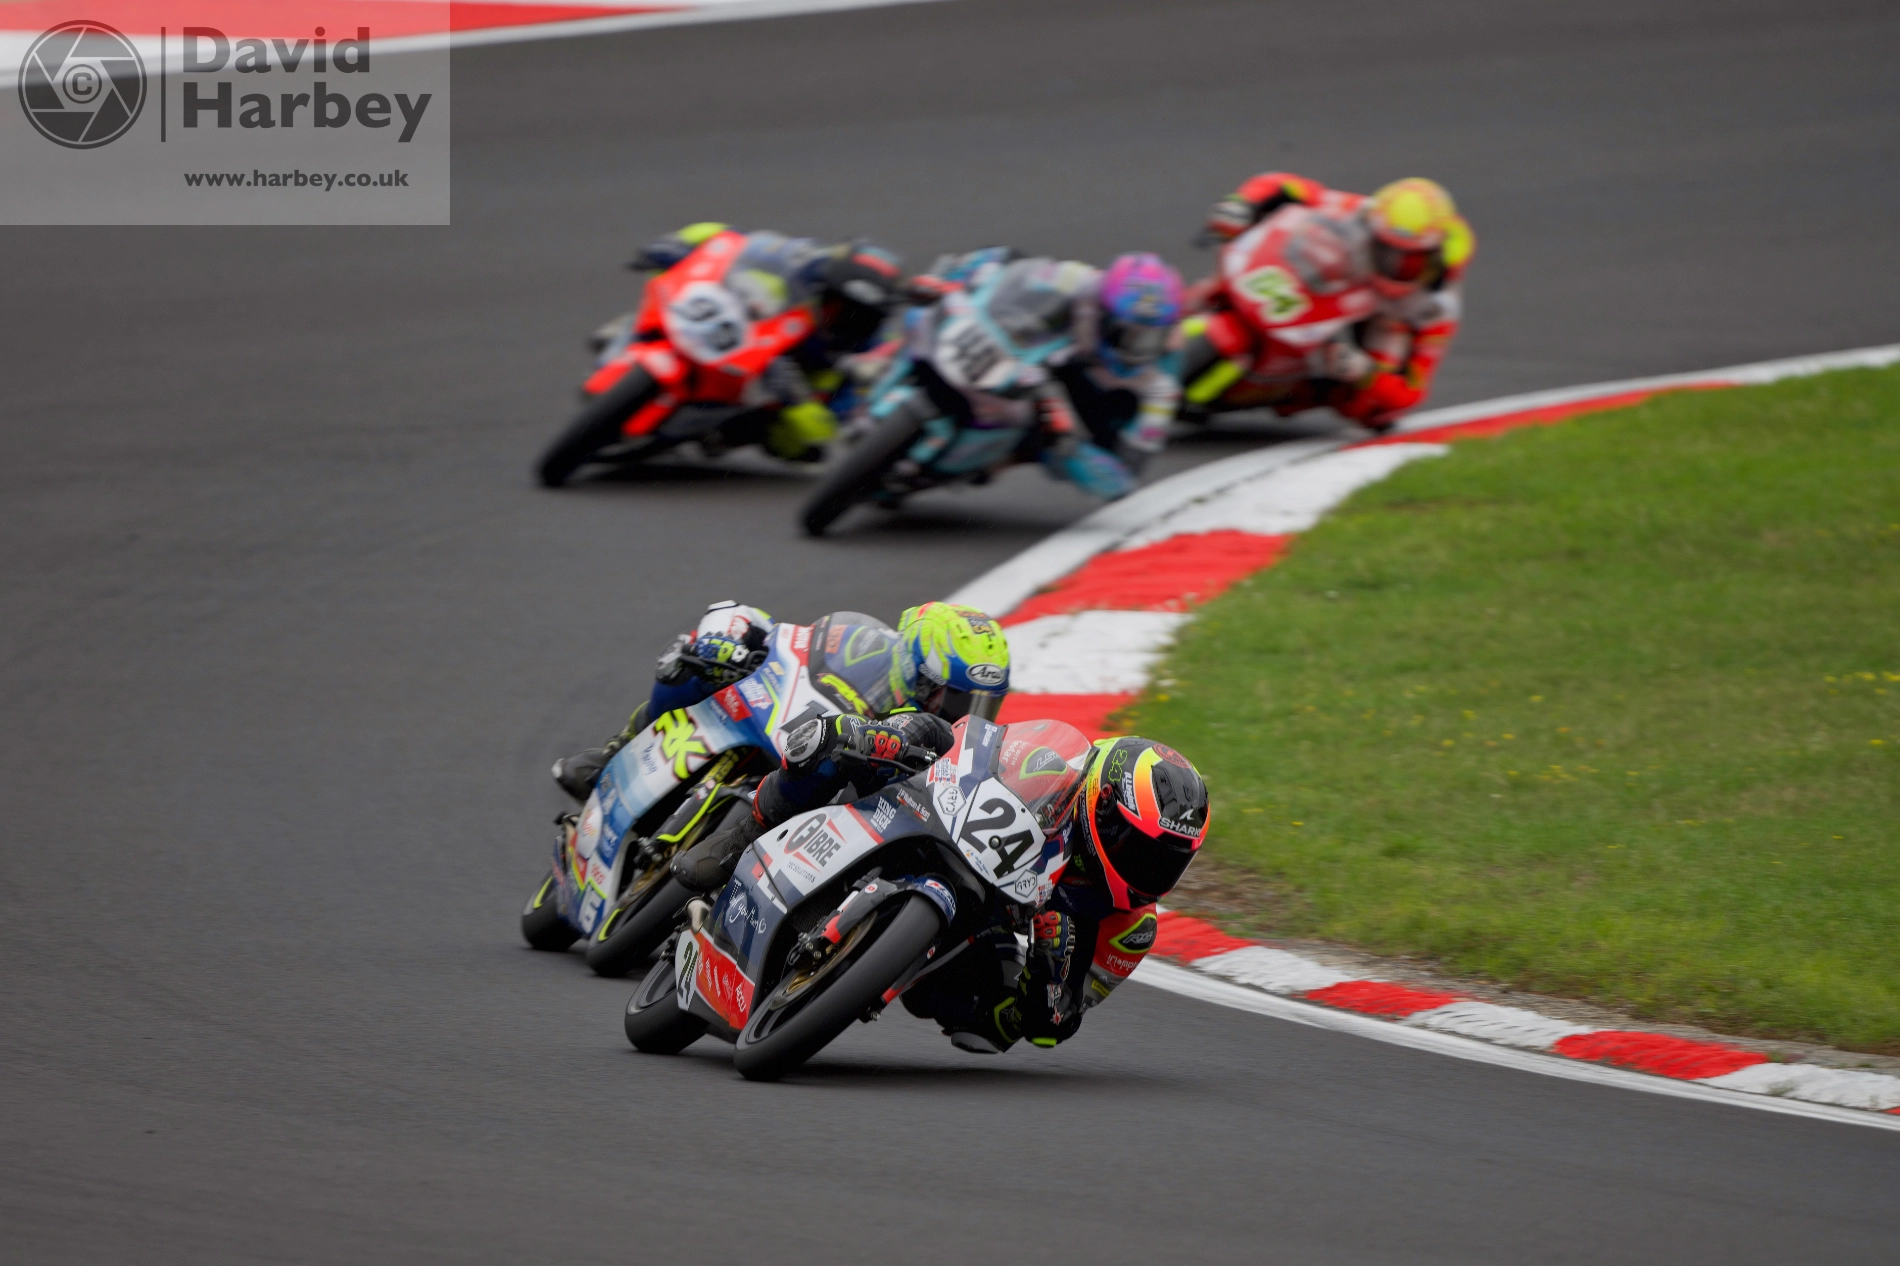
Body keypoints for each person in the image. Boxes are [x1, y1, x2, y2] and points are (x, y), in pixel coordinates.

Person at [666, 602, 1013, 893]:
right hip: (805, 742)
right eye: (959, 698)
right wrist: (736, 639)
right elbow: (790, 640)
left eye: (984, 705)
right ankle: (739, 839)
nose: (968, 714)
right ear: (921, 676)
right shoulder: (865, 644)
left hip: (876, 809)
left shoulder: (940, 737)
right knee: (695, 667)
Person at [899, 736, 1211, 1053]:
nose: (1150, 869)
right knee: (903, 743)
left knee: (990, 1028)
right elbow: (969, 743)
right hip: (943, 839)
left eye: (1168, 862)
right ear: (1103, 805)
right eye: (1140, 849)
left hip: (973, 935)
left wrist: (1049, 972)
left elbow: (1057, 1024)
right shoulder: (1050, 768)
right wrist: (916, 738)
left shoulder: (1132, 929)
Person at [1191, 174, 1475, 430]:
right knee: (1224, 274)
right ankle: (1185, 309)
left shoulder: (1439, 303)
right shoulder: (1362, 212)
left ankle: (1306, 391)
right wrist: (1244, 204)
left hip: (1389, 319)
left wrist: (1366, 372)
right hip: (1351, 284)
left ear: (1434, 257)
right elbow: (1287, 186)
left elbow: (1413, 390)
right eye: (1384, 250)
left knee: (1371, 409)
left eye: (1408, 262)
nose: (1393, 264)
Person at [899, 249, 1185, 500]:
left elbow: (1127, 474)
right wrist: (953, 279)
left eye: (1150, 339)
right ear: (1104, 312)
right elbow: (1004, 261)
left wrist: (1069, 446)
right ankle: (880, 359)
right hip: (1027, 349)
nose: (1134, 349)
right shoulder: (1075, 279)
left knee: (1062, 438)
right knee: (921, 309)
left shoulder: (1162, 381)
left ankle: (997, 458)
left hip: (1072, 403)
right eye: (1128, 335)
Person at [629, 222, 903, 459]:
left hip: (773, 389)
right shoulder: (805, 263)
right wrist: (680, 244)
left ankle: (717, 433)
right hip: (741, 327)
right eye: (836, 306)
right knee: (678, 278)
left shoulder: (874, 349)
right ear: (823, 288)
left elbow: (843, 418)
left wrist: (801, 404)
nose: (843, 319)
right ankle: (632, 333)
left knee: (796, 446)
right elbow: (735, 239)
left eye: (860, 317)